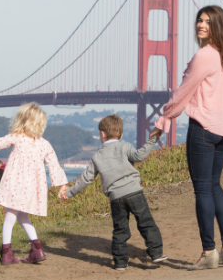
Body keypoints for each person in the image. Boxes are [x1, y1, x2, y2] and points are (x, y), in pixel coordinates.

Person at [150, 5, 223, 271]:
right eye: (200, 20)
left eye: (208, 22)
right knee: (214, 186)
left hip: (204, 128)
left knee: (202, 189)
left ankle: (208, 251)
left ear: (217, 27)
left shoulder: (204, 55)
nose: (201, 25)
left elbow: (183, 93)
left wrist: (164, 119)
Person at [58, 115, 167, 271]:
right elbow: (140, 156)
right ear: (121, 134)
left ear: (102, 134)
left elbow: (85, 179)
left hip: (116, 198)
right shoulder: (125, 146)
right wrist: (153, 139)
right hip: (135, 192)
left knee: (120, 230)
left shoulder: (97, 156)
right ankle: (156, 253)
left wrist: (69, 192)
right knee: (146, 223)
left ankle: (121, 262)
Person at [0, 102, 68, 265]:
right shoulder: (45, 144)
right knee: (23, 217)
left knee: (10, 217)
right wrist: (62, 186)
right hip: (32, 188)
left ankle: (7, 253)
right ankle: (37, 250)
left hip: (15, 184)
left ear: (21, 120)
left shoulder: (16, 137)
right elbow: (54, 165)